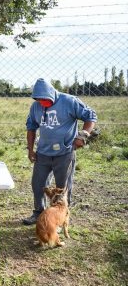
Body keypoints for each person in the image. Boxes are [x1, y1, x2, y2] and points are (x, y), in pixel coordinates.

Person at [23, 78, 97, 225]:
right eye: (39, 99)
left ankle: (62, 217)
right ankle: (39, 212)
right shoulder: (35, 107)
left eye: (45, 99)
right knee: (38, 185)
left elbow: (91, 116)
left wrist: (83, 135)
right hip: (43, 153)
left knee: (62, 187)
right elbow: (31, 127)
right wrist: (31, 150)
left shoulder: (69, 101)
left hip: (65, 153)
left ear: (52, 93)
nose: (42, 102)